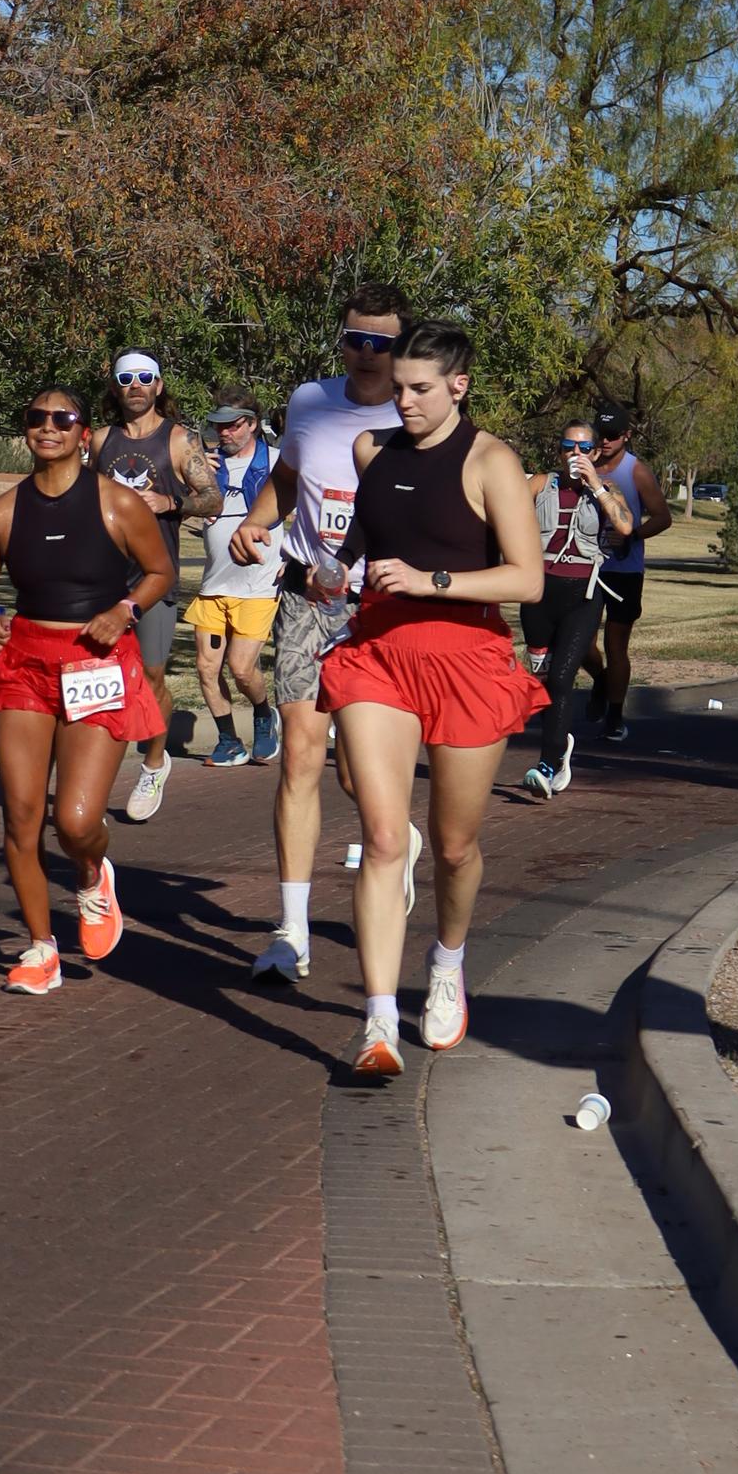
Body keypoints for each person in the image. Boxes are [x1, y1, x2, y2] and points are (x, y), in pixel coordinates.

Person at [317, 322, 547, 1076]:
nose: (404, 401)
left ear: (459, 385)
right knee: (384, 838)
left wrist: (432, 581)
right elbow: (363, 539)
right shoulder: (372, 450)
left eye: (420, 389)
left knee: (453, 846)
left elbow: (526, 579)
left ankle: (447, 959)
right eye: (398, 387)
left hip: (467, 659)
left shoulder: (490, 461)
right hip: (379, 655)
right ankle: (379, 1023)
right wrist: (329, 570)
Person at [0, 387, 177, 993]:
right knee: (22, 816)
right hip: (24, 664)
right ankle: (40, 948)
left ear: (84, 432)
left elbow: (161, 571)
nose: (48, 427)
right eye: (37, 418)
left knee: (75, 822)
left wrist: (125, 609)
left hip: (96, 662)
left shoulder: (116, 502)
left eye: (63, 418)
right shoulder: (1, 513)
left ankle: (90, 874)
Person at [229, 284, 420, 983]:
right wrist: (258, 522)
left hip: (383, 607)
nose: (366, 354)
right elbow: (287, 476)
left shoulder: (416, 414)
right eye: (354, 339)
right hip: (307, 600)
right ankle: (292, 930)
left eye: (381, 343)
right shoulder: (310, 402)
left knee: (355, 771)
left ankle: (396, 839)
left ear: (402, 348)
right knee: (300, 759)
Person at [94, 351, 220, 821]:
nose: (136, 385)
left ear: (158, 386)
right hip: (102, 577)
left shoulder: (179, 439)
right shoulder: (101, 440)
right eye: (126, 378)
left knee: (150, 677)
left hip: (153, 576)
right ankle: (93, 779)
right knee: (98, 680)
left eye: (145, 377)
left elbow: (212, 498)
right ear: (115, 387)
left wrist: (170, 502)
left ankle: (153, 762)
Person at [519, 419, 634, 799]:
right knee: (541, 679)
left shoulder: (606, 489)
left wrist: (595, 484)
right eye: (569, 447)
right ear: (559, 450)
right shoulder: (541, 483)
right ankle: (559, 745)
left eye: (584, 448)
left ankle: (548, 763)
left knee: (561, 678)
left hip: (583, 596)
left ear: (595, 452)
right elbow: (504, 513)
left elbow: (625, 526)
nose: (576, 454)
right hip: (539, 593)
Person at [182, 396, 283, 776]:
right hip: (214, 585)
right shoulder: (207, 465)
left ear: (253, 424)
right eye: (219, 425)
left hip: (257, 587)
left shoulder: (277, 463)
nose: (224, 432)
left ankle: (263, 713)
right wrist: (193, 481)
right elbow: (179, 505)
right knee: (207, 669)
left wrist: (292, 557)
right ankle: (229, 741)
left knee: (241, 669)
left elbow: (307, 509)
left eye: (233, 425)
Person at [579, 402, 671, 743]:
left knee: (615, 645)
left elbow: (663, 517)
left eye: (612, 435)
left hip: (623, 571)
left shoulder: (636, 472)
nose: (605, 441)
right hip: (586, 566)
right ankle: (602, 680)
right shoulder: (584, 464)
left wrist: (632, 536)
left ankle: (615, 717)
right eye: (600, 434)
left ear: (627, 436)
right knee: (580, 643)